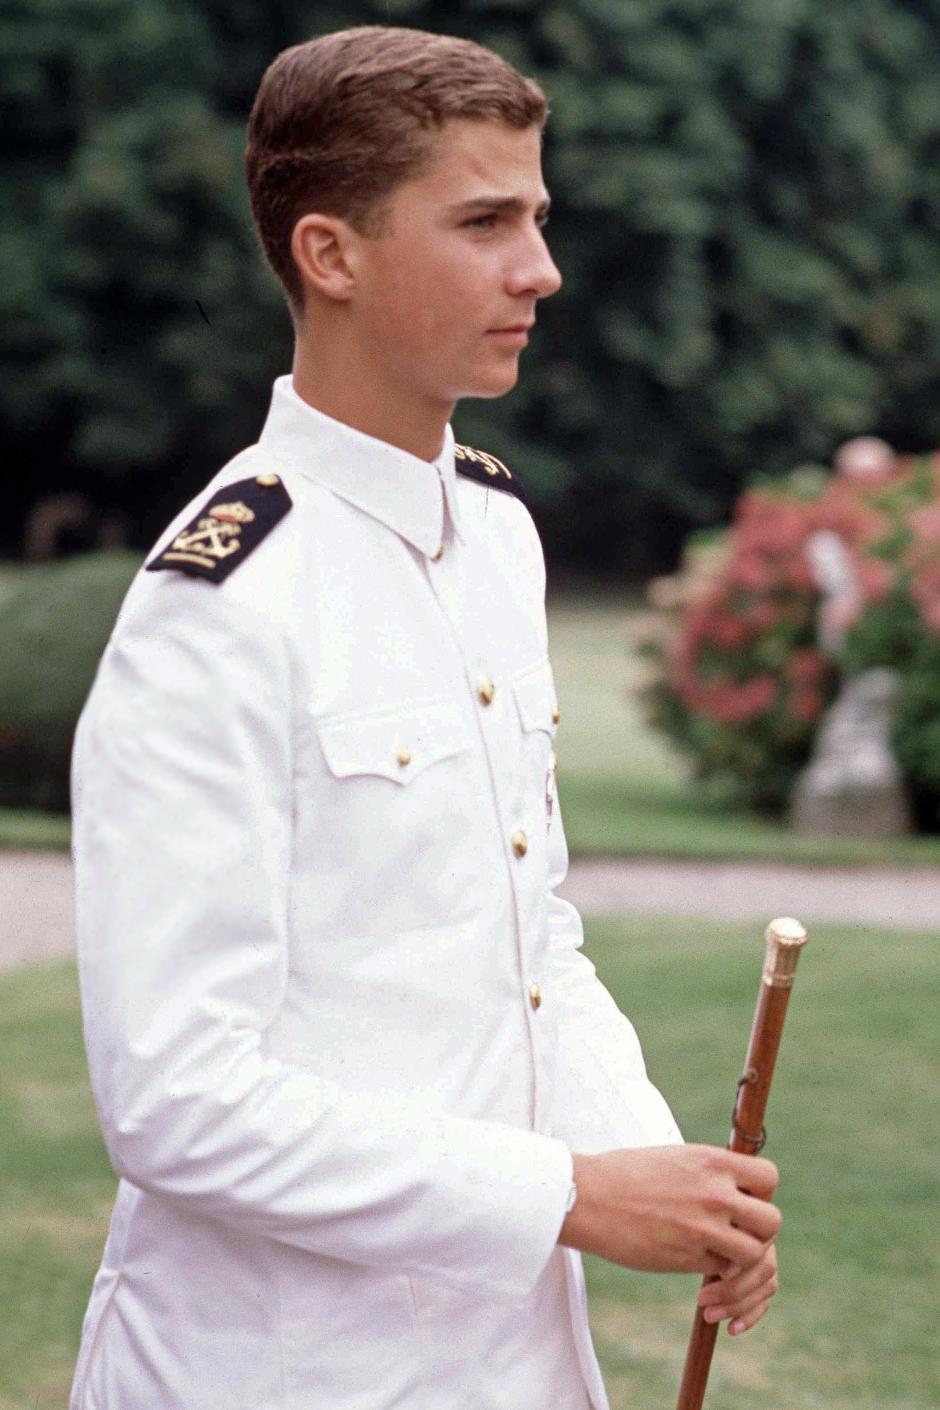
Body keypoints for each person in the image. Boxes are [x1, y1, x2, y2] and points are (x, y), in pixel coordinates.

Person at [69, 26, 780, 1410]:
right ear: (330, 256)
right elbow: (175, 1100)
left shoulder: (498, 533)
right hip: (274, 1367)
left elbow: (531, 931)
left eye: (537, 214)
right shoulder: (219, 602)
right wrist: (569, 1193)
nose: (542, 267)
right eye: (485, 220)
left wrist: (668, 1176)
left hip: (512, 1360)